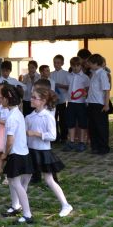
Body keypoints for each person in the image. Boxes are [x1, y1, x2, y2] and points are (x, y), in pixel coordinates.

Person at [26, 86, 73, 217]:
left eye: (34, 98)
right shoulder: (29, 117)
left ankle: (66, 204)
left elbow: (53, 136)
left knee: (49, 179)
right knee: (25, 178)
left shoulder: (47, 116)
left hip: (43, 152)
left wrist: (36, 133)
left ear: (43, 101)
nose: (31, 99)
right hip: (31, 151)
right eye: (31, 97)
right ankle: (17, 204)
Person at [0, 84, 34, 224]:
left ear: (8, 99)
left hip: (16, 154)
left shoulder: (12, 117)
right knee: (14, 181)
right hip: (23, 153)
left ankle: (27, 214)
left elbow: (10, 141)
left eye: (1, 97)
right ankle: (15, 206)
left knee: (15, 183)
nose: (0, 99)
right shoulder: (17, 113)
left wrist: (4, 154)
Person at [86, 53, 111, 154]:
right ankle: (95, 146)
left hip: (99, 104)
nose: (89, 65)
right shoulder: (94, 73)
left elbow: (107, 90)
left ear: (96, 63)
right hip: (91, 103)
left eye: (91, 63)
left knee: (101, 127)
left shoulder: (102, 74)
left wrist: (106, 104)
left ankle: (103, 147)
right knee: (92, 127)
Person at [64, 56, 89, 152]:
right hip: (71, 102)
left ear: (80, 66)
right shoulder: (68, 76)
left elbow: (87, 89)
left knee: (82, 123)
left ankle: (82, 142)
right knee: (71, 123)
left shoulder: (85, 77)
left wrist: (85, 94)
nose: (75, 68)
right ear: (71, 66)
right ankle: (71, 141)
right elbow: (68, 87)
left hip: (81, 103)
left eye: (77, 66)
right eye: (73, 66)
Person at [51, 55, 70, 142]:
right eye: (55, 63)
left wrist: (60, 85)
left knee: (63, 119)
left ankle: (64, 137)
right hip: (53, 101)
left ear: (62, 63)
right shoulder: (51, 74)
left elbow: (70, 87)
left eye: (58, 63)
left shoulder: (66, 74)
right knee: (53, 119)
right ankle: (55, 136)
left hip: (63, 100)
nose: (56, 64)